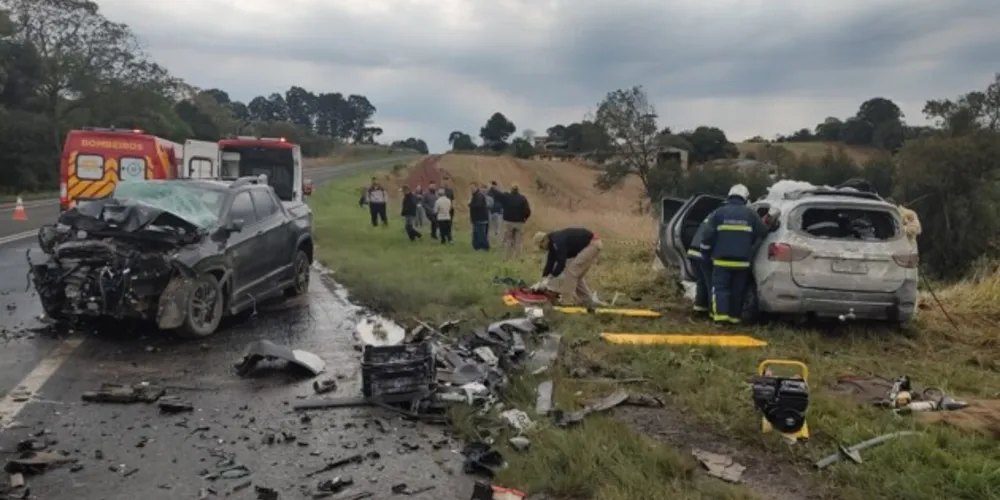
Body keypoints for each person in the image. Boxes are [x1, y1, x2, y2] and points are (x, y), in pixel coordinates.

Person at [702, 184, 768, 324]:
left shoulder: (719, 213)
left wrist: (705, 253)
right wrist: (753, 249)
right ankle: (734, 318)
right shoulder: (751, 214)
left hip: (721, 261)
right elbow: (762, 232)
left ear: (730, 196)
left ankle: (721, 319)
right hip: (742, 262)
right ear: (745, 198)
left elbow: (707, 235)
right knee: (738, 291)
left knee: (720, 289)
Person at [530, 228, 602, 307]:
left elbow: (561, 263)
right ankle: (587, 301)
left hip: (592, 244)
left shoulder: (557, 241)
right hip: (591, 245)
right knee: (576, 275)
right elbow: (549, 264)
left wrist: (549, 279)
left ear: (544, 240)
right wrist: (542, 280)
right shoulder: (552, 244)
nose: (542, 249)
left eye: (541, 246)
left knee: (571, 272)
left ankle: (566, 302)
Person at [686, 214, 715, 314]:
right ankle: (713, 311)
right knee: (711, 283)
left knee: (701, 281)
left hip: (693, 253)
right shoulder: (722, 217)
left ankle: (700, 308)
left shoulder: (713, 214)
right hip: (702, 254)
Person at [500, 184, 530, 258]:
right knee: (518, 242)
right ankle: (517, 257)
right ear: (518, 190)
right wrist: (525, 218)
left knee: (508, 240)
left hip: (508, 222)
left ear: (511, 190)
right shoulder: (523, 198)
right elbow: (528, 211)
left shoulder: (507, 197)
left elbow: (502, 204)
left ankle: (507, 256)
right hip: (519, 223)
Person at [468, 182, 490, 250]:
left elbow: (478, 205)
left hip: (480, 218)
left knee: (481, 234)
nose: (471, 189)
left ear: (476, 187)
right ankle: (477, 247)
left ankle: (484, 247)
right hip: (477, 219)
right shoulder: (475, 196)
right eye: (471, 188)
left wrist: (470, 204)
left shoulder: (479, 196)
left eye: (473, 188)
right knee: (476, 234)